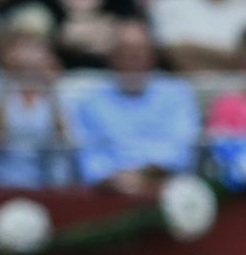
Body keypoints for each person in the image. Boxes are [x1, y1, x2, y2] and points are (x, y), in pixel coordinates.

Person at [70, 18, 203, 193]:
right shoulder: (90, 100)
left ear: (152, 56)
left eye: (139, 51)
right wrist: (114, 179)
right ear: (111, 56)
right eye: (125, 52)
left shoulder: (176, 93)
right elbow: (88, 157)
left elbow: (182, 151)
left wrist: (143, 175)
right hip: (106, 193)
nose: (132, 58)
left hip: (164, 188)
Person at [0, 9, 76, 184]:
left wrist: (51, 91)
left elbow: (64, 143)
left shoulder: (58, 90)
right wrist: (7, 81)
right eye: (23, 44)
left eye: (36, 46)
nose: (29, 54)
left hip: (42, 181)